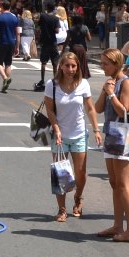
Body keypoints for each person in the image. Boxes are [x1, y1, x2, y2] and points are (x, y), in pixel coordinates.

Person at [43, 48, 99, 221]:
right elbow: (50, 110)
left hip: (79, 133)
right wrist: (56, 128)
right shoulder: (52, 85)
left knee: (80, 172)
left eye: (73, 66)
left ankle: (78, 198)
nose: (71, 69)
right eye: (67, 66)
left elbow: (90, 108)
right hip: (60, 135)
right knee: (60, 172)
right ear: (61, 67)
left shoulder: (83, 84)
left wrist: (96, 129)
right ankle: (61, 209)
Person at [93, 47, 129, 242]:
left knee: (123, 183)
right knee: (114, 183)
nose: (103, 66)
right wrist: (106, 91)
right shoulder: (110, 82)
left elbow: (124, 112)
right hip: (112, 132)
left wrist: (112, 94)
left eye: (105, 63)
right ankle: (117, 225)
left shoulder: (126, 83)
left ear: (116, 64)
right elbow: (97, 108)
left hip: (124, 132)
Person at [0, 0, 19, 92]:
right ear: (10, 7)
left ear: (2, 7)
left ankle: (5, 78)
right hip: (12, 42)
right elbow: (18, 33)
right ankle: (5, 82)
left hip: (2, 41)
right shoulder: (15, 18)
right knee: (8, 63)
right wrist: (17, 46)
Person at [35, 2, 61, 91]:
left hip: (44, 42)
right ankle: (56, 81)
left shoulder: (43, 16)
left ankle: (42, 80)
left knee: (43, 62)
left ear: (47, 8)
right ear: (53, 9)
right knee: (55, 63)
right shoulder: (56, 19)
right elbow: (57, 31)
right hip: (53, 42)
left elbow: (38, 25)